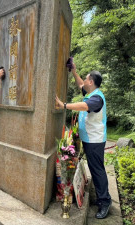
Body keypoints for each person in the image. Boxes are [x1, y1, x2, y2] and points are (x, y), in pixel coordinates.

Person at [55, 61, 112, 219]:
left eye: (87, 79)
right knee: (95, 168)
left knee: (97, 170)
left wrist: (64, 105)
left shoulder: (96, 99)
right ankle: (102, 198)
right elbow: (80, 84)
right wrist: (74, 71)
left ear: (92, 82)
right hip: (89, 139)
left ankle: (105, 201)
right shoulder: (90, 93)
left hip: (95, 140)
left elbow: (84, 106)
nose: (84, 82)